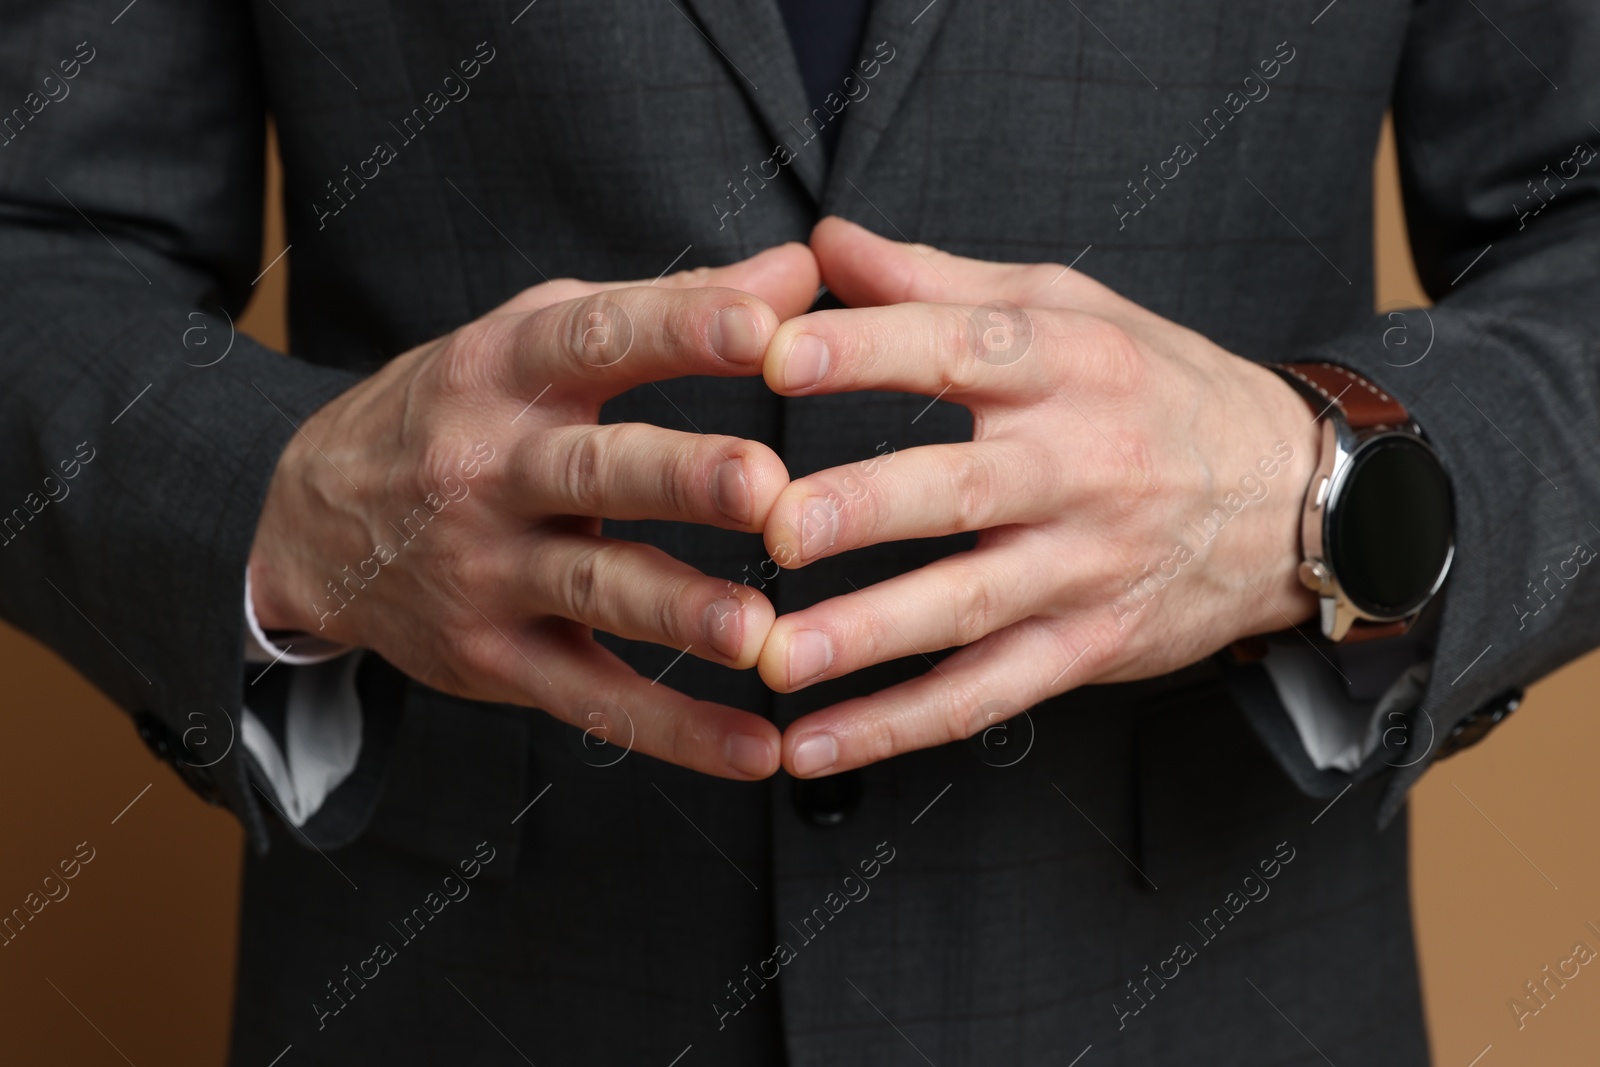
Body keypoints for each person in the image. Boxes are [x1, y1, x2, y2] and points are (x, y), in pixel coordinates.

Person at [1, 0, 1596, 1063]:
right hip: (461, 991)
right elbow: (39, 240)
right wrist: (287, 499)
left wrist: (1320, 484)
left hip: (1216, 989)